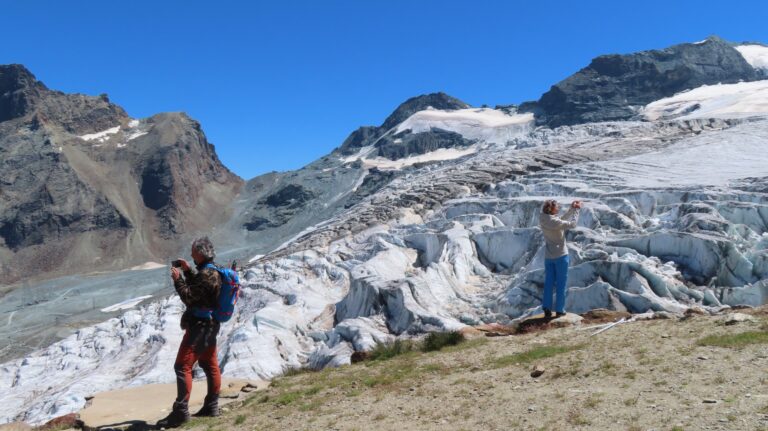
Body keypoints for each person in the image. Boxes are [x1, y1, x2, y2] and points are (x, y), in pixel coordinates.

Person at [157, 237, 222, 428]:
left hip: (199, 328)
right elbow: (201, 287)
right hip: (211, 326)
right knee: (210, 364)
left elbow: (189, 297)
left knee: (182, 366)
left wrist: (178, 280)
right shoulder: (213, 271)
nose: (191, 254)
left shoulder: (205, 274)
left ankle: (181, 412)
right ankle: (212, 406)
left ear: (200, 253)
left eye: (193, 251)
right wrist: (187, 270)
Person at [539, 199, 581, 318]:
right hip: (561, 255)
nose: (558, 208)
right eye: (556, 207)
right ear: (551, 209)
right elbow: (572, 224)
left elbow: (559, 220)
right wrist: (577, 211)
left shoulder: (543, 218)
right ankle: (559, 309)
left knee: (549, 283)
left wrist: (571, 209)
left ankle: (546, 308)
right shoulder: (554, 222)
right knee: (561, 283)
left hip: (549, 256)